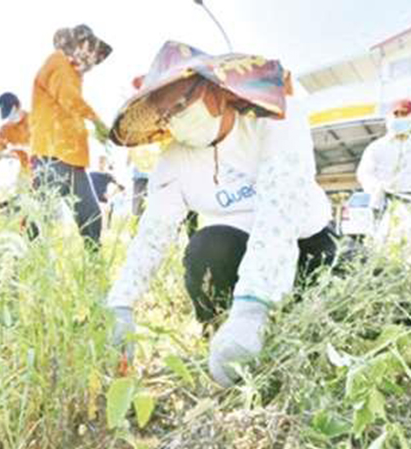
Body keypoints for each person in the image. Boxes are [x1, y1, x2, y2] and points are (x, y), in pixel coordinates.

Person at [104, 41, 336, 387]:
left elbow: (278, 213)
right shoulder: (175, 161)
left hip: (309, 246)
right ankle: (223, 341)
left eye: (181, 104)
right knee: (206, 248)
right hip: (236, 252)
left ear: (215, 88)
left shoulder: (275, 121)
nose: (177, 121)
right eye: (168, 116)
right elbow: (153, 233)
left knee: (373, 302)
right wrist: (121, 303)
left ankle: (261, 326)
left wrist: (252, 307)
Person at [29, 24, 112, 250]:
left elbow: (69, 108)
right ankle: (19, 266)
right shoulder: (58, 62)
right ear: (80, 46)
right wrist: (96, 121)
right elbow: (68, 98)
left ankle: (94, 266)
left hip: (73, 161)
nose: (93, 62)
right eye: (92, 53)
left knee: (91, 216)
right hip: (51, 156)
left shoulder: (72, 72)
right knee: (38, 219)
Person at [356, 98, 411, 212]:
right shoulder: (375, 148)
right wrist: (378, 187)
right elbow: (364, 174)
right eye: (396, 114)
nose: (400, 118)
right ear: (389, 117)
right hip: (384, 205)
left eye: (404, 114)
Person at [0, 92, 32, 191]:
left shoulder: (34, 119)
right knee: (21, 198)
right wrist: (12, 153)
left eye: (11, 112)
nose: (9, 118)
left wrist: (25, 148)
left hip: (42, 167)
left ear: (17, 106)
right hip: (25, 171)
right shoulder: (5, 129)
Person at [89, 155, 124, 227]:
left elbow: (121, 187)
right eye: (100, 161)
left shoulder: (108, 175)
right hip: (93, 201)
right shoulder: (91, 174)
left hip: (103, 201)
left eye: (103, 161)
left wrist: (110, 195)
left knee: (102, 223)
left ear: (106, 163)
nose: (101, 163)